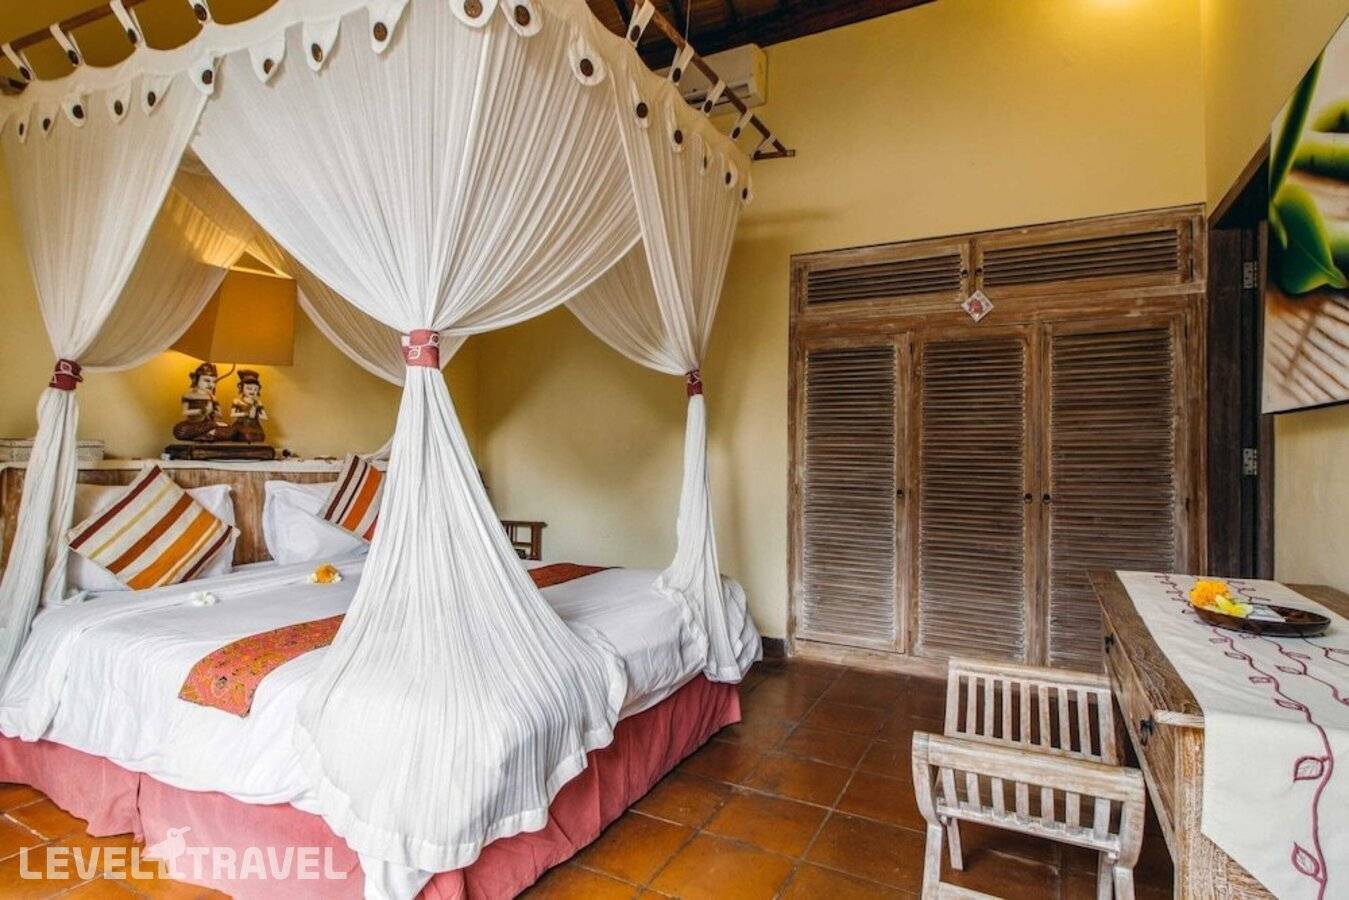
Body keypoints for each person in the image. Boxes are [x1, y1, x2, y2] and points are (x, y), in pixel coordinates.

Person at [172, 362, 231, 442]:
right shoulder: (189, 395)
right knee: (179, 431)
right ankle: (208, 434)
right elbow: (185, 412)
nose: (211, 385)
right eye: (207, 381)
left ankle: (206, 434)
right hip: (192, 425)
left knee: (229, 430)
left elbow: (219, 415)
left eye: (214, 382)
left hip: (207, 424)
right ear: (196, 379)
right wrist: (201, 411)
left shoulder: (212, 398)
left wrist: (213, 412)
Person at [229, 369, 269, 444]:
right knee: (247, 436)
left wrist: (256, 414)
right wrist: (245, 414)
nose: (252, 391)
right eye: (249, 388)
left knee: (260, 437)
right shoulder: (237, 401)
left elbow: (265, 417)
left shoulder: (258, 403)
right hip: (242, 425)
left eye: (255, 389)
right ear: (242, 388)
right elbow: (232, 414)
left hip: (255, 425)